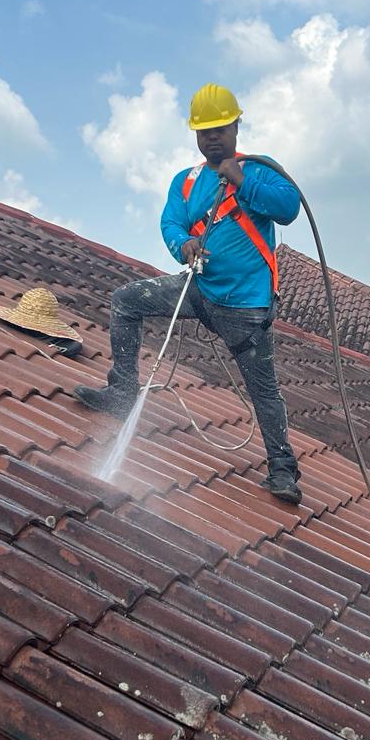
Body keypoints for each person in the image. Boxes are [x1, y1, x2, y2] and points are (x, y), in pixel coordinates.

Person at [74, 83, 304, 503]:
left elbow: (288, 208)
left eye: (220, 128)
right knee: (127, 300)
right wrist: (183, 245)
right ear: (196, 136)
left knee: (263, 391)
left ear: (235, 126)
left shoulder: (258, 171)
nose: (212, 137)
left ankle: (283, 470)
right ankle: (122, 392)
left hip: (246, 307)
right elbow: (171, 223)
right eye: (204, 131)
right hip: (198, 290)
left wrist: (240, 181)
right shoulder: (186, 182)